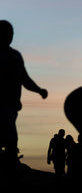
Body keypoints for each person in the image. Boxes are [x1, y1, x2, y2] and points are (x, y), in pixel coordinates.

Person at [0, 20, 47, 160]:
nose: (10, 36)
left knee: (10, 144)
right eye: (7, 33)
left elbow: (25, 79)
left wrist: (39, 90)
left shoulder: (15, 56)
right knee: (10, 142)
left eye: (11, 33)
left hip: (10, 108)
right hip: (3, 108)